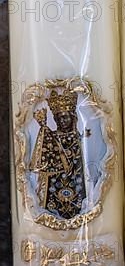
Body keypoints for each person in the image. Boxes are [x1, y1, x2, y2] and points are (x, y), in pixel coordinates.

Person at [30, 89, 86, 219]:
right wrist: (44, 129)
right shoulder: (52, 136)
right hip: (55, 183)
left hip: (76, 183)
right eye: (59, 118)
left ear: (72, 117)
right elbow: (43, 158)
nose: (62, 121)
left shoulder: (77, 137)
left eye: (65, 117)